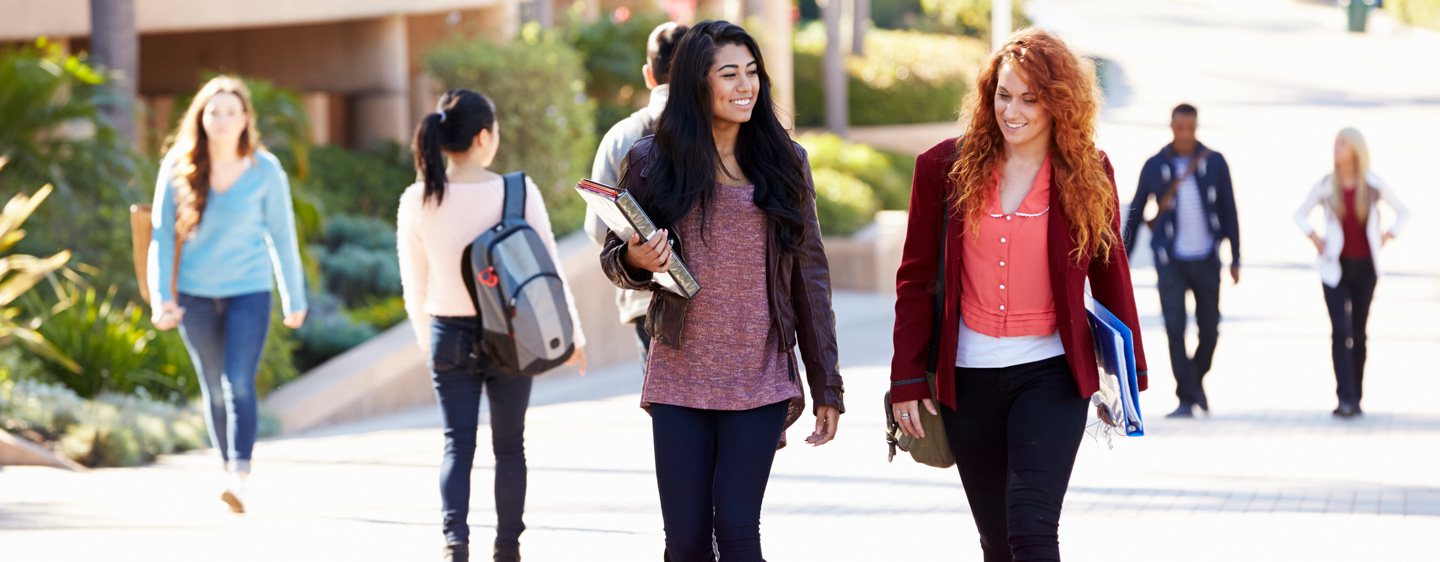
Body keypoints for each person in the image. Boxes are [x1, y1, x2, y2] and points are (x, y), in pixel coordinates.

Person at [889, 28, 1149, 561]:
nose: (1013, 110)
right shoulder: (942, 168)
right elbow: (915, 279)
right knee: (997, 542)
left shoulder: (1088, 172)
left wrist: (1128, 378)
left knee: (1031, 529)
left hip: (1051, 373)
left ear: (1058, 104)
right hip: (968, 378)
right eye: (1004, 95)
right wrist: (906, 379)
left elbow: (1111, 272)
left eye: (1031, 99)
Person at [597, 20, 843, 562]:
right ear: (696, 84)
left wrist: (827, 382)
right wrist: (636, 260)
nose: (745, 86)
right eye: (728, 74)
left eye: (752, 73)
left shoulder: (785, 162)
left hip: (758, 377)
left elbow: (810, 277)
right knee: (685, 543)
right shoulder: (652, 160)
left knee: (736, 529)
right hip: (680, 375)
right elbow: (616, 258)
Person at [397, 89, 588, 562]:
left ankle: (454, 543)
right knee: (509, 448)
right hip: (513, 335)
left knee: (456, 445)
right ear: (484, 137)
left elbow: (414, 289)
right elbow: (550, 273)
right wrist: (573, 338)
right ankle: (507, 549)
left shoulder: (417, 199)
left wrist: (429, 343)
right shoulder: (516, 192)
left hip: (448, 334)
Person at [147, 76, 308, 514]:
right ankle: (227, 469)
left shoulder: (265, 170)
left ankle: (239, 475)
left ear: (245, 120)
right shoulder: (178, 165)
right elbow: (160, 236)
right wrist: (161, 296)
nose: (221, 119)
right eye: (213, 111)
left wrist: (295, 296)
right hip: (194, 296)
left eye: (230, 111)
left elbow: (282, 236)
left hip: (248, 292)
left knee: (238, 381)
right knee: (214, 389)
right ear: (201, 117)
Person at [1121, 103, 1240, 418]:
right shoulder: (1154, 165)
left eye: (1191, 128)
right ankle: (1186, 398)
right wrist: (1121, 262)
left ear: (1197, 127)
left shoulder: (1214, 163)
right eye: (1179, 128)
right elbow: (1134, 214)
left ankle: (1193, 384)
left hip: (1206, 259)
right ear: (1171, 127)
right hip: (1170, 260)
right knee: (1174, 328)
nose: (1185, 134)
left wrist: (1236, 256)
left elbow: (1229, 210)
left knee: (1210, 329)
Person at [585, 22, 688, 372]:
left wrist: (639, 255)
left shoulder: (620, 136)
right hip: (711, 302)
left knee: (666, 409)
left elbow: (600, 230)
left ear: (648, 74)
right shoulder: (719, 128)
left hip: (644, 301)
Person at [1293, 127, 1409, 418]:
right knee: (1339, 330)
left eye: (1342, 144)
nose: (1337, 149)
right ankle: (1344, 397)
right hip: (1335, 267)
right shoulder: (1326, 185)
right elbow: (1300, 214)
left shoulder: (1372, 184)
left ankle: (1356, 396)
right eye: (1335, 144)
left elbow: (1403, 211)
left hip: (1366, 267)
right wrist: (1314, 237)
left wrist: (1388, 235)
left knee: (1358, 332)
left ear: (1356, 149)